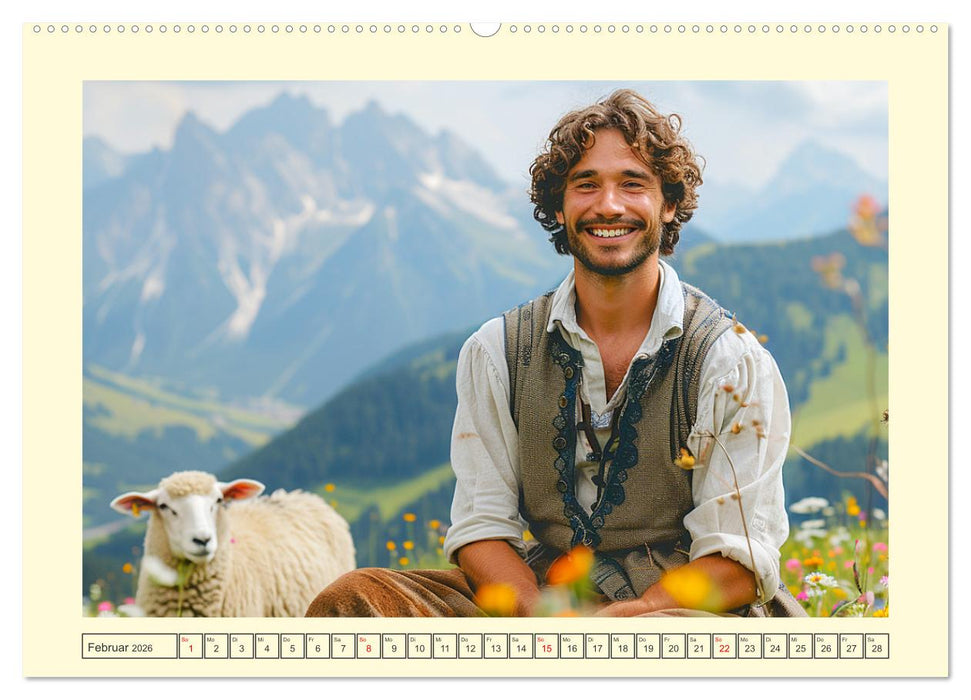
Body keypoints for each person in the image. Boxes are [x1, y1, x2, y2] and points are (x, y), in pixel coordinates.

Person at [306, 89, 803, 617]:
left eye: (633, 184)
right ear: (560, 207)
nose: (607, 205)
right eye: (585, 185)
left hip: (683, 607)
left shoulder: (730, 360)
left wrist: (627, 621)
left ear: (670, 203)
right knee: (353, 600)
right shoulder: (497, 350)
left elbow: (738, 561)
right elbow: (482, 527)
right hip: (540, 597)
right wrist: (543, 621)